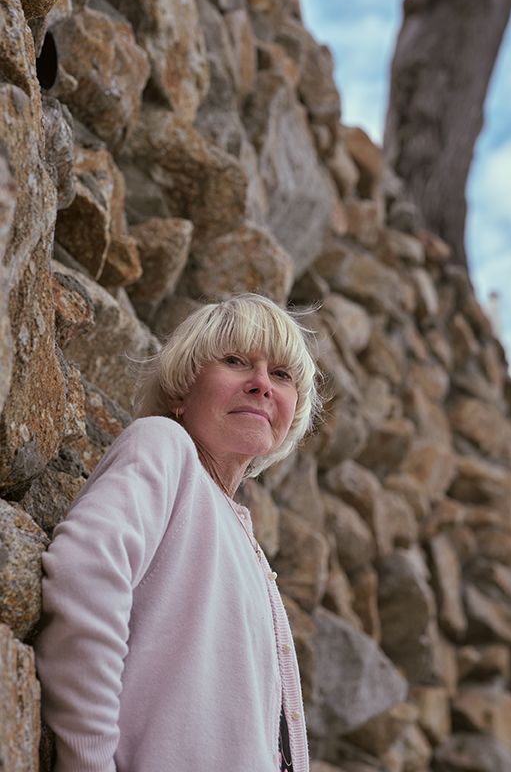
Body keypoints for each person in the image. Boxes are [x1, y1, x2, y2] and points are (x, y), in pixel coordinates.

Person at [34, 293, 321, 772]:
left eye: (281, 375)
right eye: (235, 361)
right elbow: (84, 577)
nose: (261, 384)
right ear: (181, 392)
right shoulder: (165, 448)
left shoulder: (239, 534)